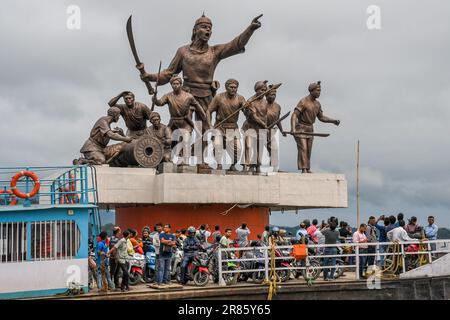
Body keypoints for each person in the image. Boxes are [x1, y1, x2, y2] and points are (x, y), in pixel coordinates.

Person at [138, 14, 262, 165]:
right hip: (186, 96)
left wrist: (250, 29)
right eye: (204, 27)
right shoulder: (183, 52)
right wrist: (148, 76)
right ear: (195, 30)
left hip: (207, 95)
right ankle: (175, 157)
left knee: (205, 130)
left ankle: (202, 160)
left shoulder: (214, 52)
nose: (208, 30)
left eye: (210, 28)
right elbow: (168, 74)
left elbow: (235, 44)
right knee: (182, 129)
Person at [153, 76, 211, 165]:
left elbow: (198, 107)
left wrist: (204, 117)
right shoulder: (168, 96)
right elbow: (159, 103)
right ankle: (166, 158)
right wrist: (155, 98)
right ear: (171, 85)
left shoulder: (189, 96)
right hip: (173, 122)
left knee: (186, 140)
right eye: (173, 84)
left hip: (185, 123)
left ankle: (185, 160)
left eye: (177, 84)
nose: (175, 86)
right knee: (167, 139)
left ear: (180, 84)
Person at [290, 81, 340, 173]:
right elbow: (294, 115)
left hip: (310, 128)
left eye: (320, 90)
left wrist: (333, 121)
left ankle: (307, 168)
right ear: (311, 91)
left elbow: (321, 118)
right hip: (300, 128)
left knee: (309, 150)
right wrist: (293, 129)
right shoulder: (303, 101)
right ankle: (303, 169)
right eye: (317, 90)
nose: (319, 92)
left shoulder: (317, 104)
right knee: (303, 149)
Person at [207, 78, 246, 170]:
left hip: (233, 127)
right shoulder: (219, 97)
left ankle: (233, 165)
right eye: (231, 87)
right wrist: (210, 125)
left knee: (238, 149)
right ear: (226, 87)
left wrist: (247, 109)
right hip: (219, 126)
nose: (233, 89)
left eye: (235, 87)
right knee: (217, 144)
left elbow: (246, 112)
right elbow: (209, 111)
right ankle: (219, 164)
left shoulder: (240, 98)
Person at [242, 80, 269, 173]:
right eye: (261, 90)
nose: (263, 92)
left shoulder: (265, 102)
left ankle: (257, 165)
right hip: (250, 127)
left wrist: (265, 126)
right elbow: (253, 116)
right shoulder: (250, 101)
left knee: (259, 147)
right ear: (256, 90)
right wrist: (263, 124)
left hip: (260, 129)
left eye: (265, 90)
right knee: (248, 146)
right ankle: (246, 165)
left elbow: (265, 115)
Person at [265, 87, 286, 169]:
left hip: (270, 131)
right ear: (266, 96)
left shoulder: (277, 106)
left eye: (274, 95)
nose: (273, 96)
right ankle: (253, 167)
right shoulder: (262, 105)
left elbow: (278, 120)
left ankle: (273, 167)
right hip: (260, 129)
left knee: (274, 149)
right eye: (271, 95)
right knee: (257, 149)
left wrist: (282, 130)